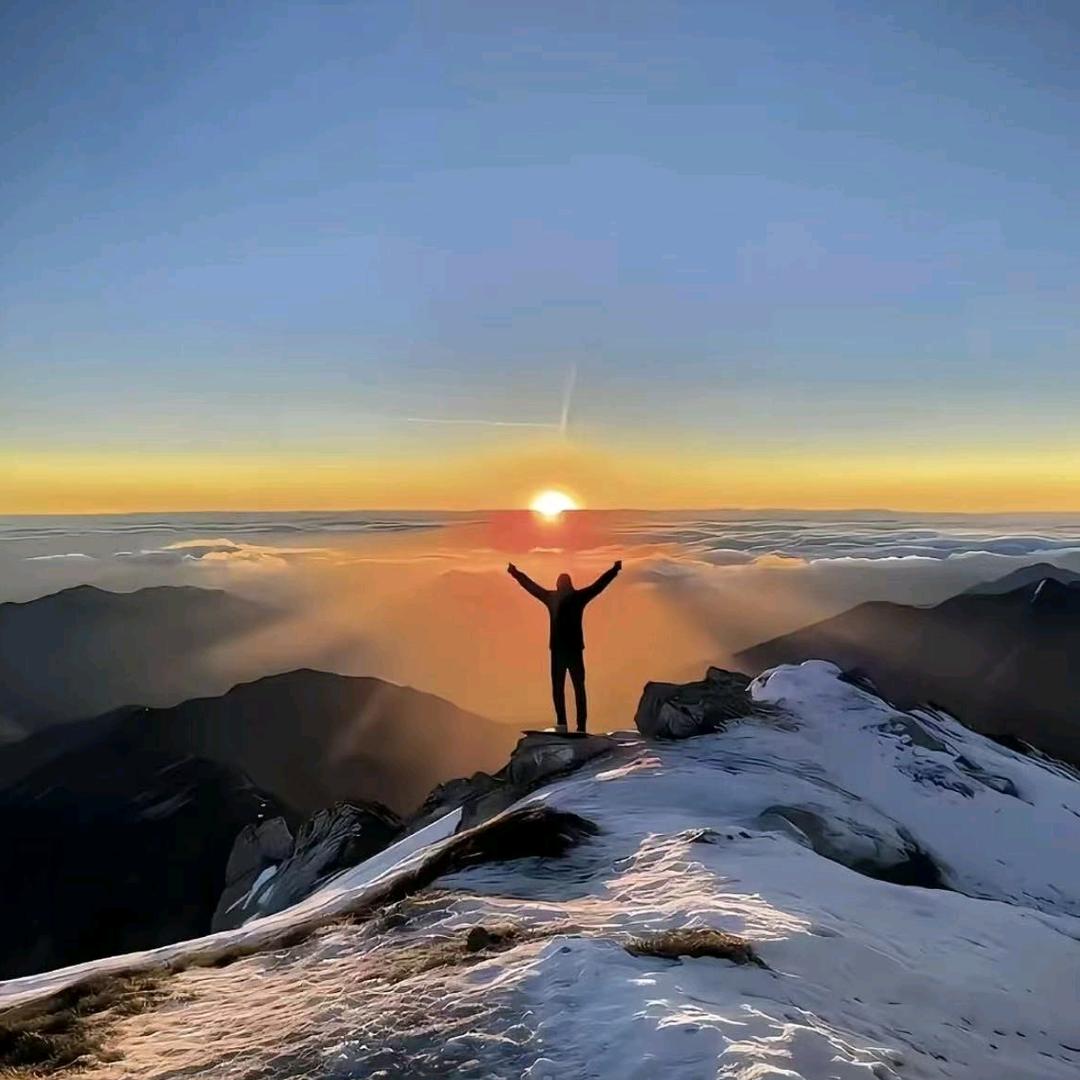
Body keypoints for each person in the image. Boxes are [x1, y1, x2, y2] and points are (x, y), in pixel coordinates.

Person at [507, 559, 622, 733]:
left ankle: (563, 725)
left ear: (558, 585)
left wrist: (515, 573)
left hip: (559, 651)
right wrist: (614, 570)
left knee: (559, 689)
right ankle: (580, 726)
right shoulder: (577, 598)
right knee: (578, 688)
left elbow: (531, 587)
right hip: (573, 650)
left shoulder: (552, 598)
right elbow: (598, 586)